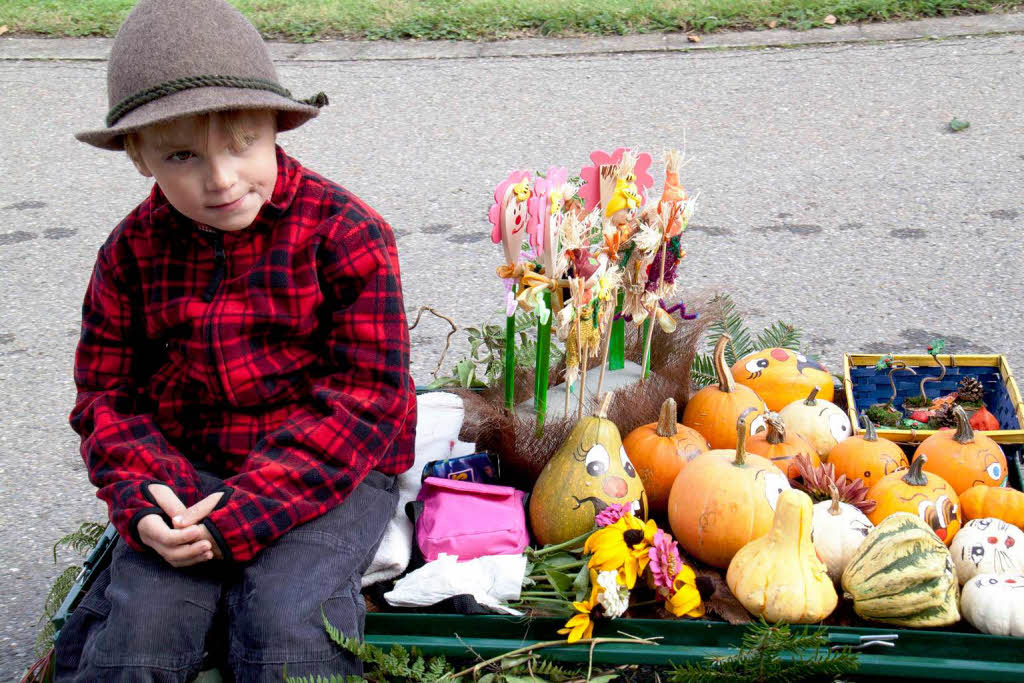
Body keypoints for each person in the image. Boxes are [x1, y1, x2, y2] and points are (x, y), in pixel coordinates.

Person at [55, 0, 417, 679]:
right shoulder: (130, 253)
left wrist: (245, 514)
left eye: (241, 144)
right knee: (140, 632)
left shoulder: (348, 235)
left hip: (330, 467)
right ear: (139, 157)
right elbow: (107, 394)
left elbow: (364, 400)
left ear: (275, 125)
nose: (220, 179)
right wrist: (145, 498)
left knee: (284, 624)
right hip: (186, 469)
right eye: (183, 155)